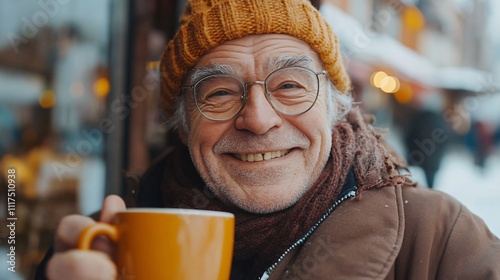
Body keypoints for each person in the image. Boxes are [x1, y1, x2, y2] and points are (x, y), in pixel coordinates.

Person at [36, 0, 500, 279]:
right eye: (219, 93)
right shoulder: (106, 247)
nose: (258, 120)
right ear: (181, 124)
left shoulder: (441, 242)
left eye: (291, 86)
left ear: (337, 107)